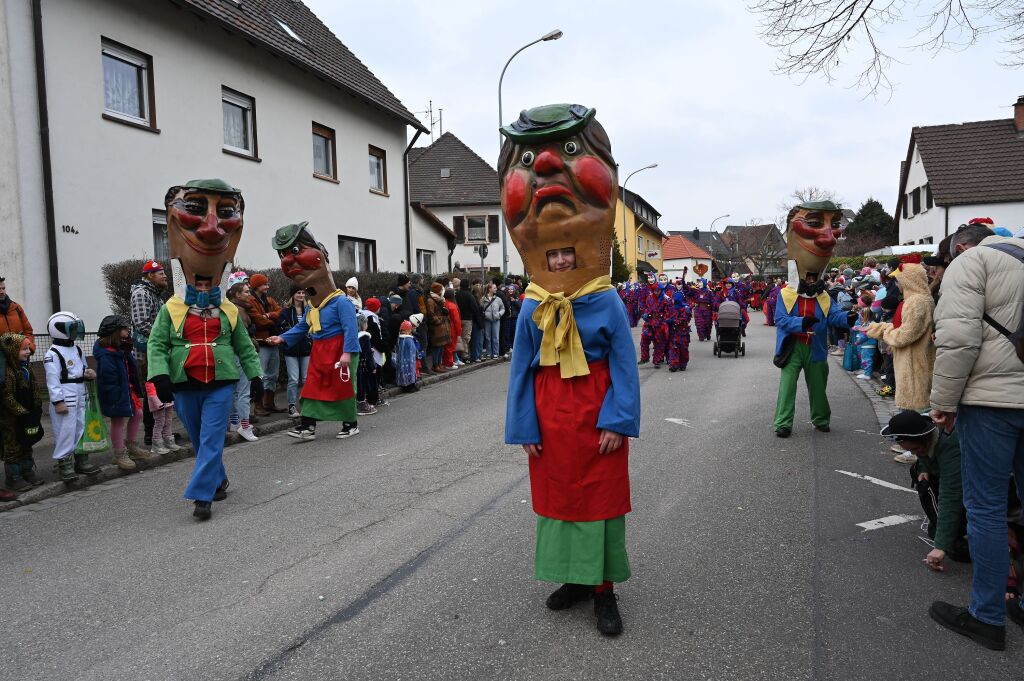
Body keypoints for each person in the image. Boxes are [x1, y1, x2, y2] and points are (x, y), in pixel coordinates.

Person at [501, 103, 641, 636]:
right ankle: (573, 579)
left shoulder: (606, 302)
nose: (560, 263)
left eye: (567, 257)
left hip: (597, 408)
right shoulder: (530, 305)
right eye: (553, 257)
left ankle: (604, 589)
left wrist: (617, 418)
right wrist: (524, 428)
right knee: (559, 499)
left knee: (600, 500)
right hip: (550, 412)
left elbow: (625, 366)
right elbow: (519, 369)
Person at [928, 222, 1024, 651]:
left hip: (992, 402)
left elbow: (959, 340)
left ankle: (986, 616)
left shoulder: (973, 262)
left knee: (984, 507)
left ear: (961, 247)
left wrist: (944, 403)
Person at [147, 179, 263, 521]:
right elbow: (156, 344)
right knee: (200, 440)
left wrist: (255, 375)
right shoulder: (171, 308)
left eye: (206, 280)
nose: (202, 283)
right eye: (197, 280)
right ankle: (219, 478)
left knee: (212, 436)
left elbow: (243, 345)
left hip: (220, 383)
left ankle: (202, 497)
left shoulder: (228, 309)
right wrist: (159, 375)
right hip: (184, 383)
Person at [267, 223, 361, 442]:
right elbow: (302, 327)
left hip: (339, 349)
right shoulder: (313, 306)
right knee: (312, 387)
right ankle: (307, 426)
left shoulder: (341, 302)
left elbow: (350, 329)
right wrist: (282, 337)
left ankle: (350, 424)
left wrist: (347, 353)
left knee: (343, 388)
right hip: (320, 349)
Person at [773, 201, 852, 438]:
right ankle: (783, 423)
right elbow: (780, 320)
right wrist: (800, 323)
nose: (809, 281)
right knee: (787, 388)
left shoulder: (825, 296)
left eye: (812, 278)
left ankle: (820, 418)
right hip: (792, 347)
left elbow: (834, 316)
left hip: (816, 348)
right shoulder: (786, 294)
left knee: (818, 387)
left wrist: (849, 317)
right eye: (806, 278)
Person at [882, 411, 968, 559]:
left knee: (953, 548)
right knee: (917, 471)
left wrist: (941, 546)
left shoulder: (951, 447)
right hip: (958, 484)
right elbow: (924, 452)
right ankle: (947, 526)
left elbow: (951, 495)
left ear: (925, 438)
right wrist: (923, 467)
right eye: (909, 451)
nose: (914, 453)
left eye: (915, 449)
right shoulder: (929, 436)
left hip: (981, 492)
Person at [865, 255, 935, 412]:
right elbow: (903, 326)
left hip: (913, 368)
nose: (897, 284)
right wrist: (877, 328)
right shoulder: (918, 299)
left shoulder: (916, 302)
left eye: (899, 280)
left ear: (908, 281)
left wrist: (884, 332)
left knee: (914, 416)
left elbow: (905, 335)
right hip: (912, 364)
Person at [44, 311, 100, 482]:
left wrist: (88, 373)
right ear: (60, 330)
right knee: (65, 430)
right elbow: (52, 380)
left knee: (80, 426)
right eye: (72, 328)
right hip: (65, 393)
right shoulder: (52, 354)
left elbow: (81, 367)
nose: (75, 332)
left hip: (80, 390)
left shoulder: (76, 348)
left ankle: (81, 458)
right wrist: (58, 401)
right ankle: (64, 462)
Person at [94, 314, 151, 470]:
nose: (128, 331)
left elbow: (130, 369)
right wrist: (114, 397)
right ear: (115, 331)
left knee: (138, 413)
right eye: (125, 329)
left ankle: (132, 446)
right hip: (115, 392)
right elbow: (108, 378)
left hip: (126, 389)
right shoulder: (107, 354)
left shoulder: (122, 348)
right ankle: (119, 453)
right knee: (118, 420)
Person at [129, 260, 168, 446]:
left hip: (157, 350)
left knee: (160, 392)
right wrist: (165, 338)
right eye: (161, 273)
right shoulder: (141, 294)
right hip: (146, 353)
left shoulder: (155, 294)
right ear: (150, 276)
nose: (165, 275)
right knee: (151, 392)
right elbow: (142, 323)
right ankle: (150, 433)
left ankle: (159, 432)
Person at [1, 333, 44, 496]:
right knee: (13, 445)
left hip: (27, 413)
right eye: (24, 349)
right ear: (13, 351)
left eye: (28, 348)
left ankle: (27, 470)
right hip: (11, 418)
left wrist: (36, 406)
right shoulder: (8, 372)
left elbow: (34, 386)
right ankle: (13, 476)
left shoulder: (27, 366)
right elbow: (7, 397)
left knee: (27, 441)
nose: (28, 352)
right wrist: (21, 412)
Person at [225, 279, 259, 442]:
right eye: (246, 292)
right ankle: (244, 426)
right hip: (239, 355)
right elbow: (241, 337)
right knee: (243, 391)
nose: (249, 294)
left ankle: (234, 422)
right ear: (237, 294)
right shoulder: (237, 310)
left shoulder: (233, 308)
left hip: (231, 354)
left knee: (234, 391)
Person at [248, 273, 284, 415]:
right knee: (260, 375)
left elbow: (280, 312)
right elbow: (258, 320)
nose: (267, 286)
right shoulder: (250, 301)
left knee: (273, 375)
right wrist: (272, 321)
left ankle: (269, 403)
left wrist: (269, 316)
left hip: (273, 341)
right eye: (264, 284)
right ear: (257, 286)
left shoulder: (269, 300)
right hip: (261, 343)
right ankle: (258, 405)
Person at [277, 287, 311, 419]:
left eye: (303, 293)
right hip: (291, 350)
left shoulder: (308, 310)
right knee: (293, 379)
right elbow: (280, 327)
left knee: (306, 378)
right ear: (293, 295)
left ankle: (307, 405)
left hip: (305, 348)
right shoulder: (285, 311)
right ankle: (292, 406)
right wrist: (287, 331)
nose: (301, 295)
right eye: (298, 293)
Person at [0, 276, 35, 353]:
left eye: (3, 288)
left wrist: (29, 348)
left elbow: (28, 331)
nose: (2, 292)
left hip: (19, 357)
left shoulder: (16, 308)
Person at [425, 282, 450, 372]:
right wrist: (439, 320)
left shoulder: (439, 299)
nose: (441, 292)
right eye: (440, 290)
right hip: (437, 327)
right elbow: (431, 314)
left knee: (442, 346)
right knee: (437, 347)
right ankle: (435, 365)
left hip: (442, 327)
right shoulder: (431, 300)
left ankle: (439, 363)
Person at [456, 279, 481, 363]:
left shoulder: (457, 295)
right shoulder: (470, 295)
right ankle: (465, 355)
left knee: (459, 337)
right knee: (466, 338)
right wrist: (478, 320)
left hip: (458, 318)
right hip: (468, 319)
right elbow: (475, 308)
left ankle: (459, 355)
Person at [480, 282, 504, 360]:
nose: (496, 289)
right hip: (487, 320)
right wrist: (484, 315)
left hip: (496, 320)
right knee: (487, 337)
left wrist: (499, 314)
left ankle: (495, 353)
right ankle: (488, 353)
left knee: (495, 337)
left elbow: (503, 308)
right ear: (490, 289)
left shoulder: (498, 299)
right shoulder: (483, 299)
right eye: (494, 288)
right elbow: (481, 308)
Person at [395, 320, 419, 392]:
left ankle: (407, 385)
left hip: (402, 360)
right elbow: (413, 349)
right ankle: (409, 386)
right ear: (407, 330)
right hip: (409, 360)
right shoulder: (408, 339)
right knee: (409, 372)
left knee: (404, 372)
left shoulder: (400, 338)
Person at [442, 289, 462, 369]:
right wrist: (459, 332)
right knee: (450, 346)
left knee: (446, 346)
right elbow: (457, 320)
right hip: (452, 328)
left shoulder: (444, 303)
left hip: (445, 327)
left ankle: (447, 361)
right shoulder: (452, 305)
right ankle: (449, 363)